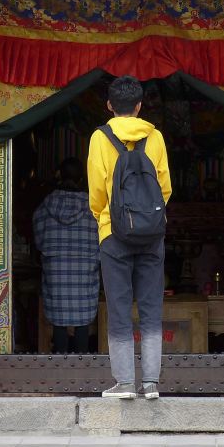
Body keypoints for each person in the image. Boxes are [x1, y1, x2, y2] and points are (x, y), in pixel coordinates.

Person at [87, 75, 172, 400]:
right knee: (152, 307)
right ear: (139, 106)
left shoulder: (100, 138)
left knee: (120, 306)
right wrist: (150, 217)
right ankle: (150, 383)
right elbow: (165, 187)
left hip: (114, 233)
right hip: (152, 233)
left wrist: (104, 218)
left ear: (110, 106)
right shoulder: (156, 137)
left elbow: (97, 189)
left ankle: (124, 383)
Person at [32, 158, 100, 354]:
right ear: (82, 178)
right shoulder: (94, 208)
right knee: (83, 321)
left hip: (56, 273)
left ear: (59, 175)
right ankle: (82, 362)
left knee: (58, 321)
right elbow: (103, 239)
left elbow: (39, 241)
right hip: (85, 273)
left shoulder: (45, 206)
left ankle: (59, 363)